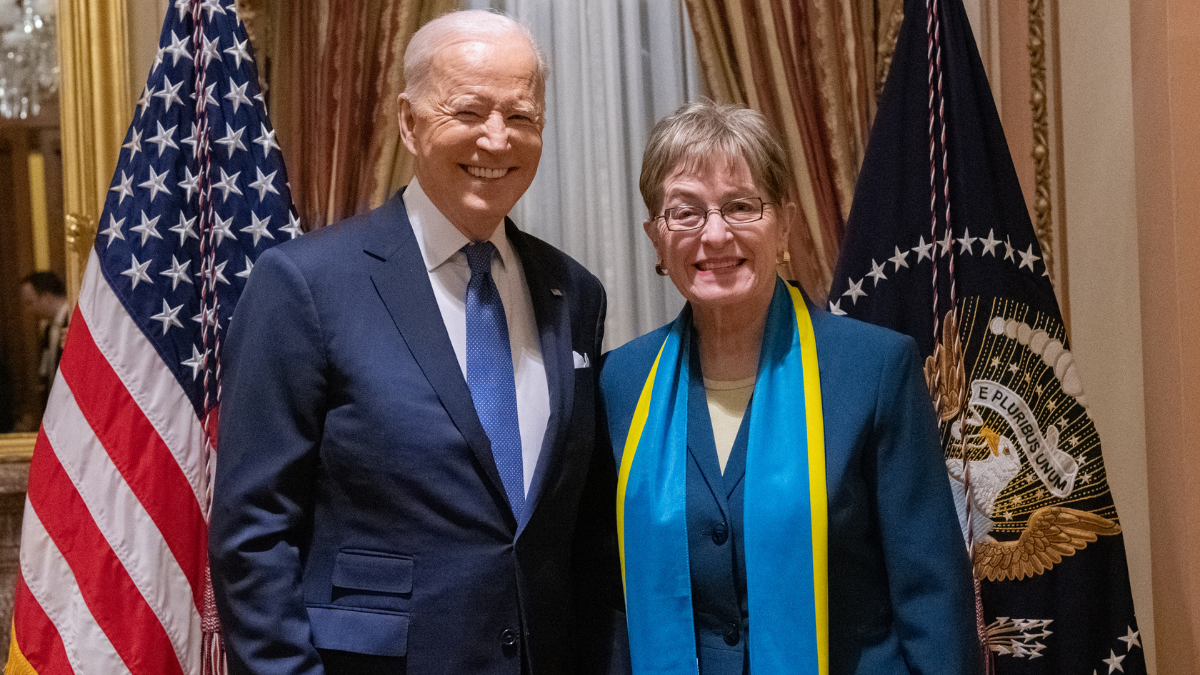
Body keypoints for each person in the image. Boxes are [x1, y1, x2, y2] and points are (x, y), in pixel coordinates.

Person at [210, 10, 625, 675]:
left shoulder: (573, 292)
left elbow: (575, 537)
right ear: (408, 121)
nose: (497, 139)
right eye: (469, 111)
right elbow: (252, 533)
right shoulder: (306, 285)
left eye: (520, 117)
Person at [599, 101, 979, 675]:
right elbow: (608, 599)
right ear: (656, 238)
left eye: (741, 206)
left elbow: (932, 601)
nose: (716, 234)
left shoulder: (875, 369)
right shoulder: (620, 381)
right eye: (686, 213)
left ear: (785, 223)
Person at [19, 271, 69, 410]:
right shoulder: (48, 329)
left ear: (47, 296)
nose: (28, 311)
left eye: (30, 303)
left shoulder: (73, 321)